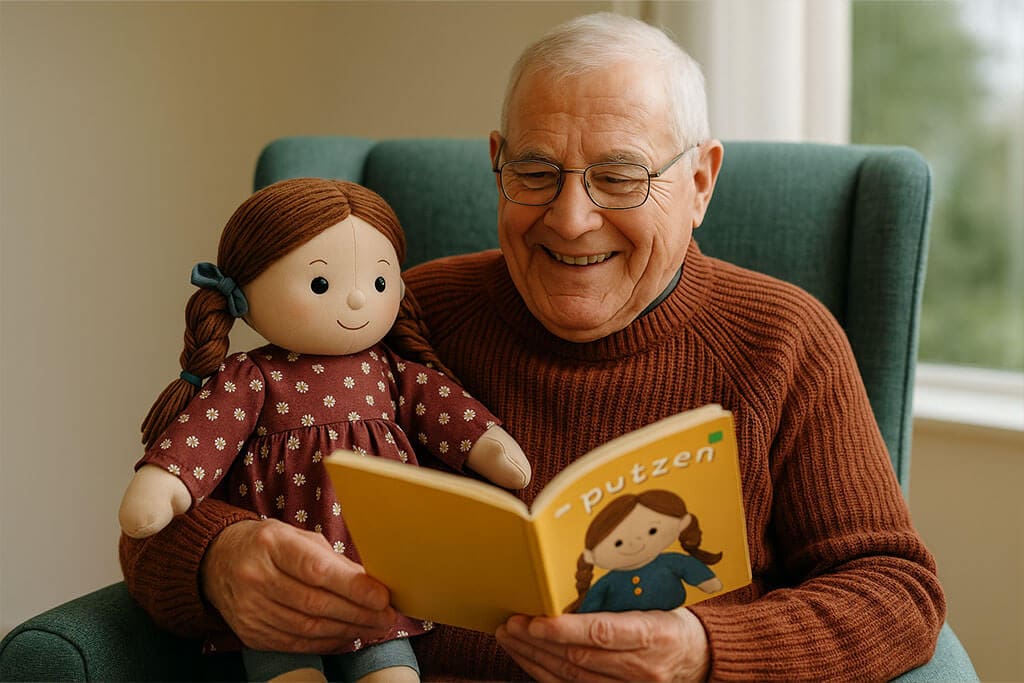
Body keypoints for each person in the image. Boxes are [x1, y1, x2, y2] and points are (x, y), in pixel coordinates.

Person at [120, 12, 946, 681]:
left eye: (619, 176)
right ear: (496, 164)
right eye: (536, 172)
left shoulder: (785, 339)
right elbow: (152, 522)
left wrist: (700, 651)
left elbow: (897, 591)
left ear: (699, 182)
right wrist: (218, 561)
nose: (571, 219)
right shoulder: (402, 319)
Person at [118, 177, 530, 683]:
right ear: (243, 293)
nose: (357, 299)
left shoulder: (389, 371)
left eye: (378, 284)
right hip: (281, 595)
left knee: (390, 669)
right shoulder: (252, 378)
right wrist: (168, 479)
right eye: (320, 284)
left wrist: (487, 444)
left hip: (382, 583)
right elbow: (206, 433)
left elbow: (442, 408)